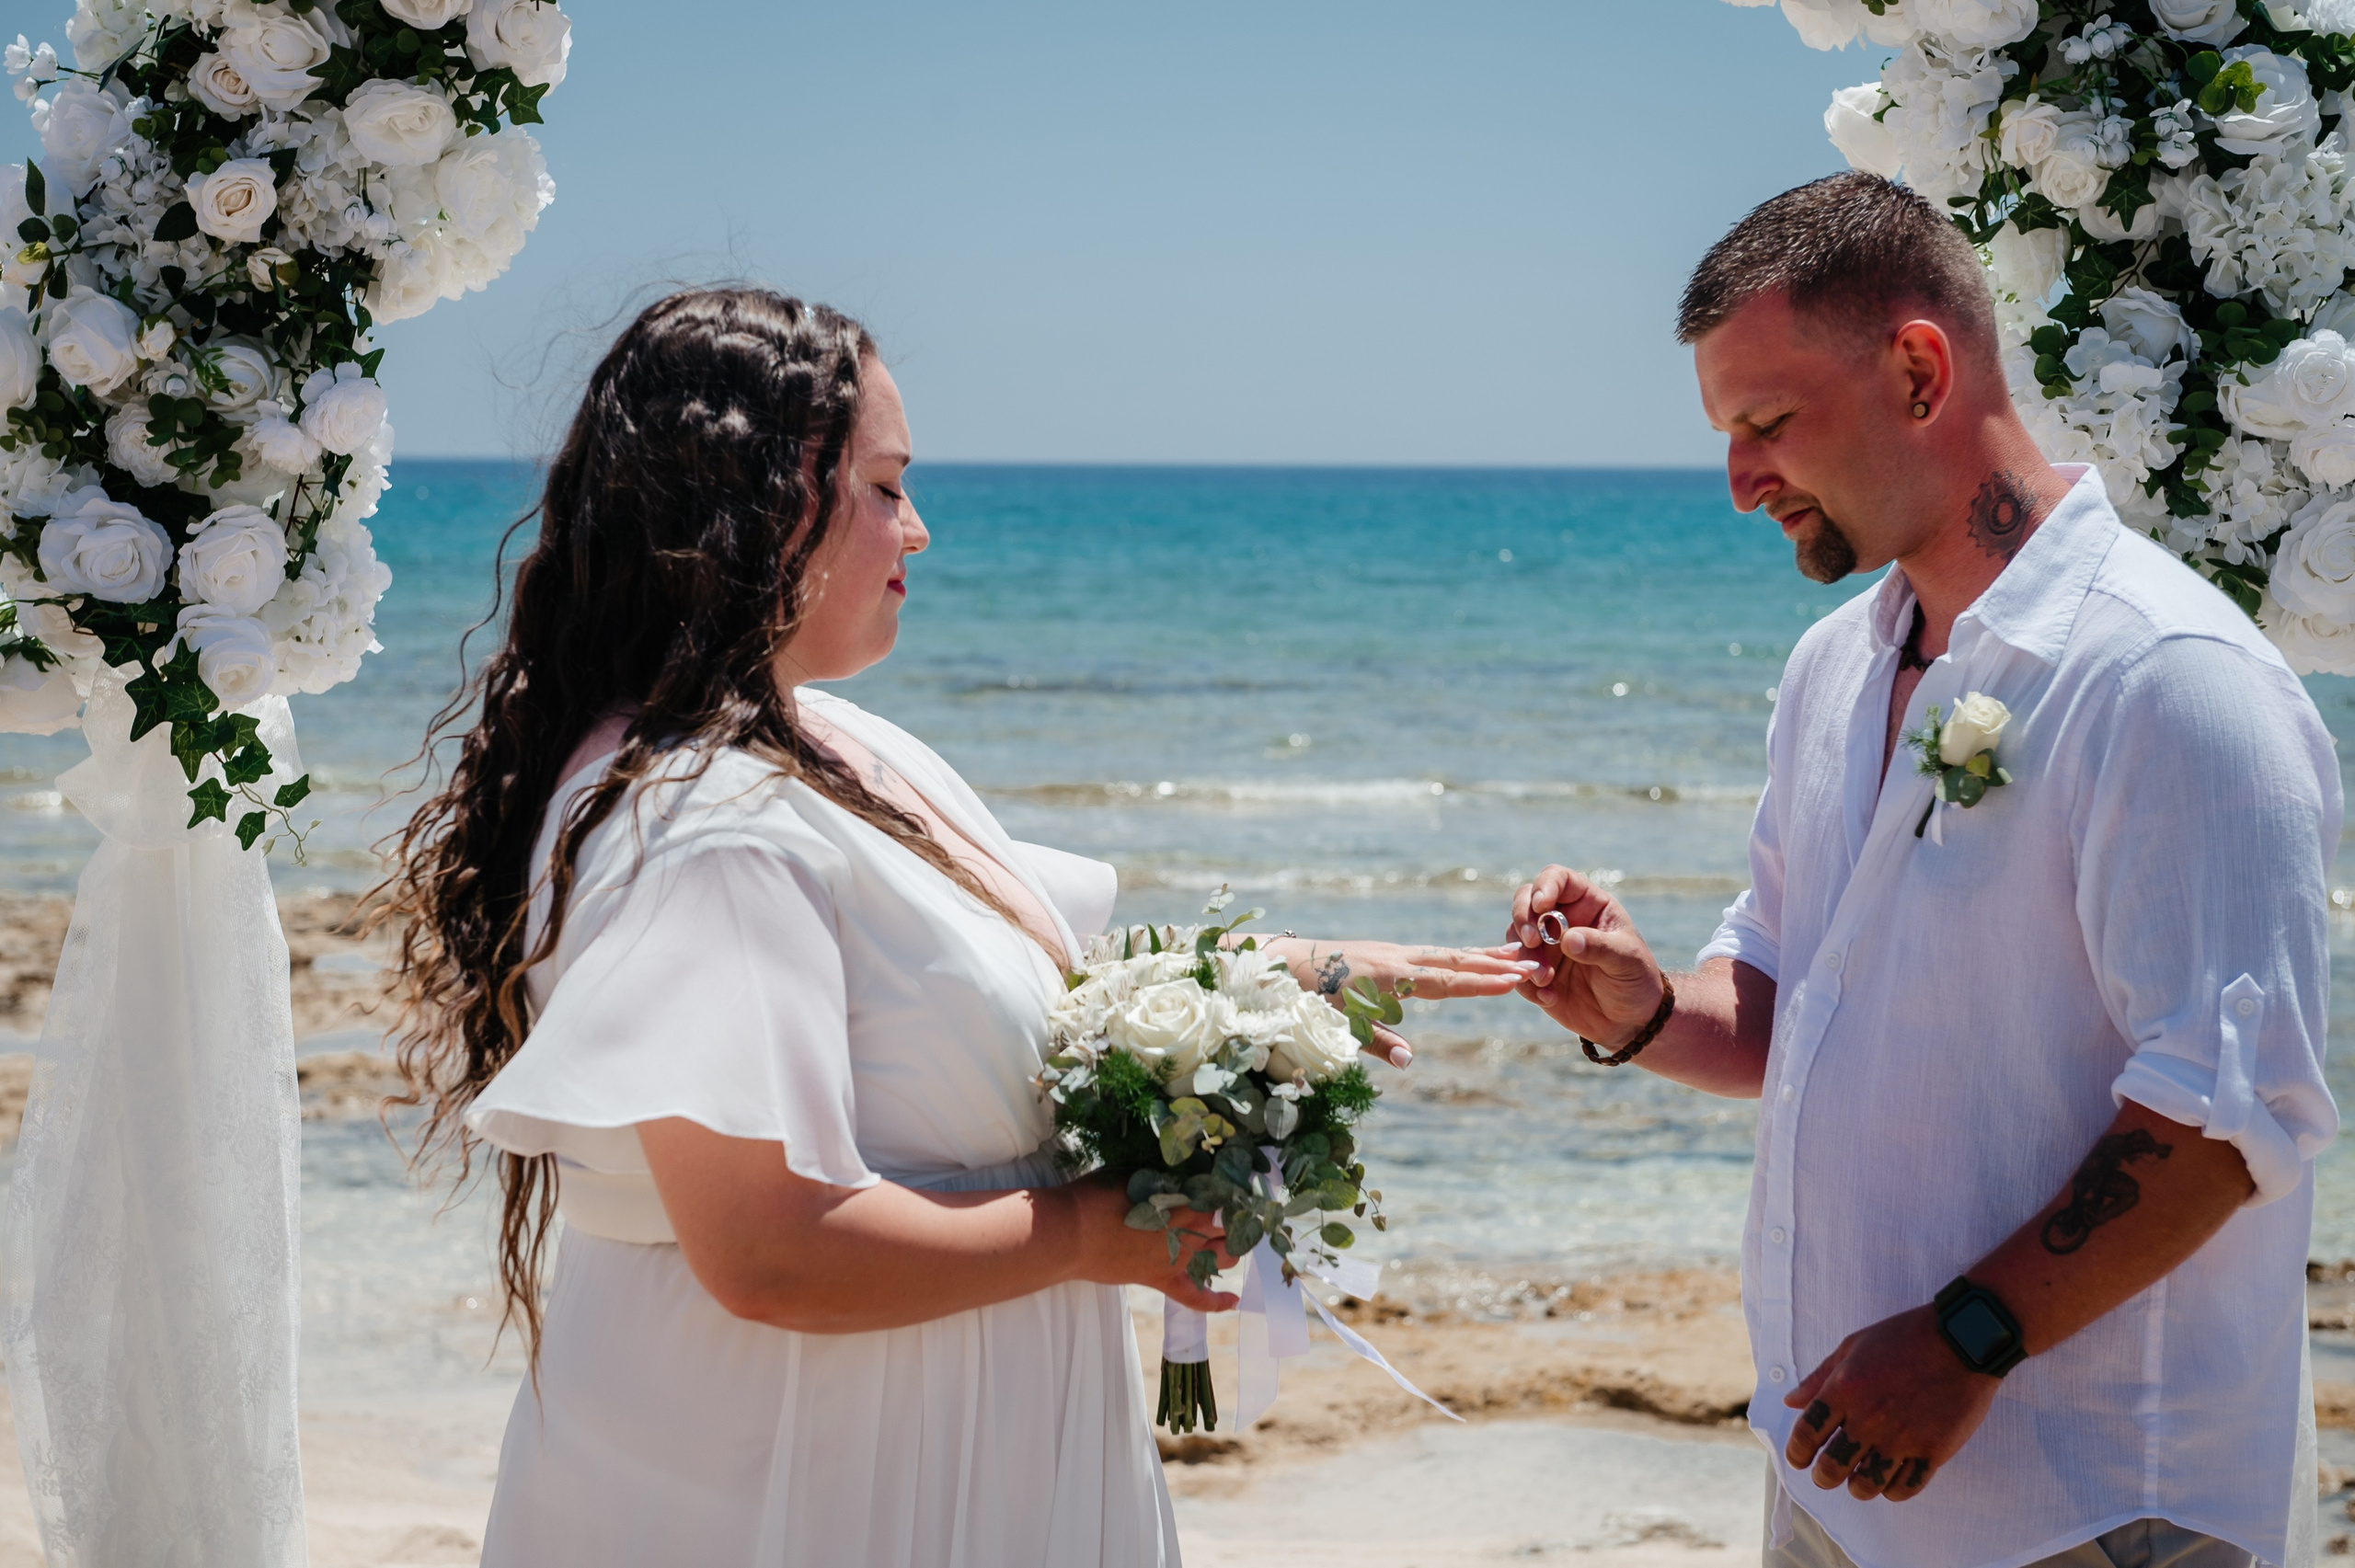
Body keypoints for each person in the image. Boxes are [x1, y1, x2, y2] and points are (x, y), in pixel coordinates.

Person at [379, 287, 1535, 1568]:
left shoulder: (821, 741)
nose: (918, 529)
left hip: (922, 1437)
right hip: (802, 1473)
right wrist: (1092, 1231)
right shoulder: (705, 829)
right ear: (757, 503)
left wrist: (1274, 977)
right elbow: (767, 1251)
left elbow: (974, 977)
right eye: (885, 487)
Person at [1505, 174, 2339, 1568]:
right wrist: (1647, 1011)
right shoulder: (1834, 667)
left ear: (1917, 371)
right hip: (1832, 1472)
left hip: (2083, 1507)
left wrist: (1966, 1340)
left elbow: (2222, 1113)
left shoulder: (2170, 679)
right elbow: (1793, 1002)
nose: (1740, 485)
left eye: (1768, 425)